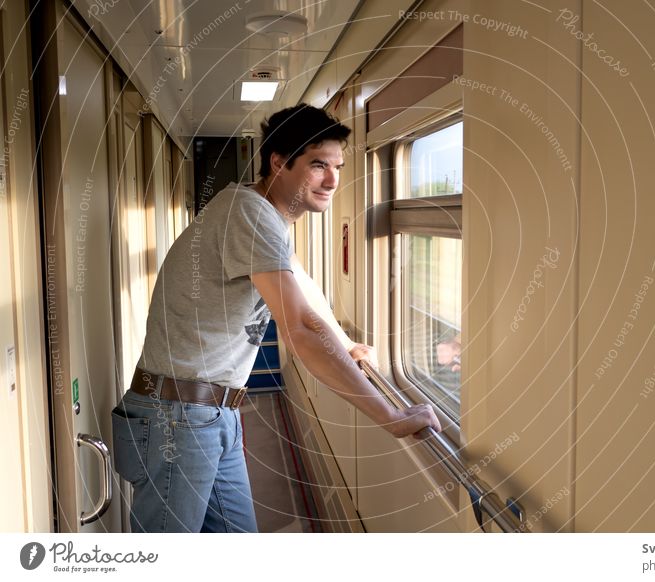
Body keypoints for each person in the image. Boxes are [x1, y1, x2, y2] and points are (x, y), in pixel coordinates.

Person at [111, 104, 441, 533]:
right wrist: (390, 416)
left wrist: (345, 344)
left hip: (213, 413)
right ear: (279, 163)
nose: (333, 179)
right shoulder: (247, 214)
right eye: (318, 164)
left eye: (338, 165)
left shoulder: (266, 218)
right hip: (178, 416)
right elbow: (300, 327)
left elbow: (302, 288)